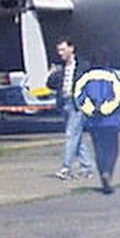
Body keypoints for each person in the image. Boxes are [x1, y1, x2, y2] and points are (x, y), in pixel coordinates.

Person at [74, 54, 120, 193]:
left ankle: (103, 172)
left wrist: (91, 109)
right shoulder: (112, 76)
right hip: (111, 120)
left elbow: (80, 97)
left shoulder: (85, 78)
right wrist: (107, 109)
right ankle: (108, 173)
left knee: (99, 149)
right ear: (107, 63)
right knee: (112, 149)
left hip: (93, 121)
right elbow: (118, 96)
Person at [45, 37, 94, 180]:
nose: (60, 53)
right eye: (59, 50)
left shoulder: (83, 66)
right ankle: (87, 167)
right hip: (64, 103)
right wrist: (51, 73)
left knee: (71, 135)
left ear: (71, 48)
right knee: (77, 137)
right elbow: (50, 84)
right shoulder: (61, 67)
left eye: (63, 49)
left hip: (77, 104)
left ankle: (66, 168)